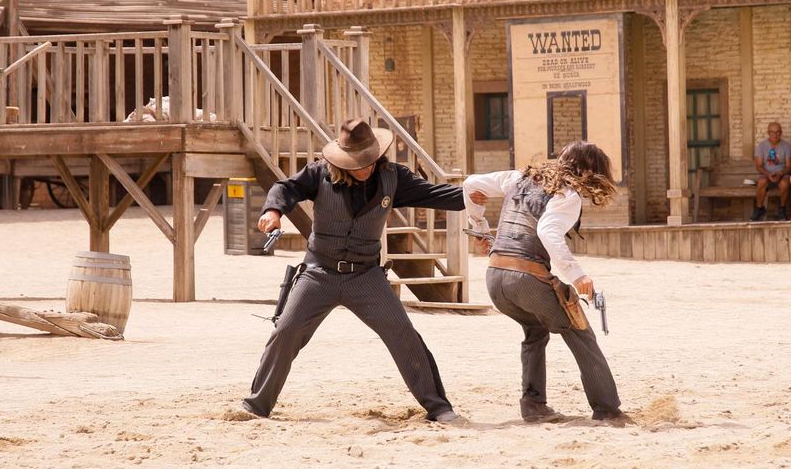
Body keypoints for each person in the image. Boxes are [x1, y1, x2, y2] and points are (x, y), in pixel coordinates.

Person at [241, 119, 466, 423]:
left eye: (368, 160)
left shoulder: (393, 177)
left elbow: (433, 194)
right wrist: (273, 210)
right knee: (286, 331)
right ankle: (257, 405)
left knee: (403, 333)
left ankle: (438, 408)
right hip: (319, 273)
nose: (364, 167)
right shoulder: (319, 173)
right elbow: (286, 187)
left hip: (366, 276)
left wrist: (473, 195)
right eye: (357, 162)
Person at [463, 141, 624, 423]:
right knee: (580, 332)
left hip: (494, 278)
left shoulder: (518, 178)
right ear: (589, 171)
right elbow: (548, 232)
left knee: (535, 330)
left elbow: (470, 184)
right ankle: (607, 409)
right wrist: (577, 275)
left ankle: (533, 405)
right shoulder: (568, 194)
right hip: (525, 279)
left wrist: (480, 229)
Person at [752, 121, 791, 221]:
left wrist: (780, 173)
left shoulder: (786, 146)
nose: (775, 134)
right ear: (768, 133)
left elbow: (789, 166)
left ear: (781, 133)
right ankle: (759, 208)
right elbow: (758, 166)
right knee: (761, 182)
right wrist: (768, 174)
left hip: (782, 174)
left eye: (778, 132)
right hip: (766, 174)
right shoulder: (761, 146)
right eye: (772, 132)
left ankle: (782, 209)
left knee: (785, 184)